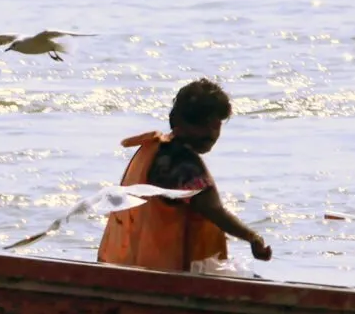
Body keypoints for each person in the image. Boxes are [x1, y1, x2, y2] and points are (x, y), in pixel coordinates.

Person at [98, 79, 273, 274]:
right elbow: (212, 209)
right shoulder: (184, 164)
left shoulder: (154, 150)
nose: (210, 134)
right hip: (175, 274)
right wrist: (252, 237)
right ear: (178, 122)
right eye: (201, 125)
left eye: (216, 125)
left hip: (136, 267)